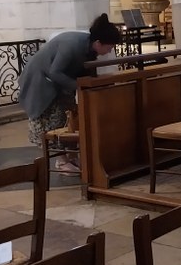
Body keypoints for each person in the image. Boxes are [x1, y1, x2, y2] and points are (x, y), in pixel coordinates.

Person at [19, 13, 121, 173]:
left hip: (59, 84)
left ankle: (72, 157)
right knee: (54, 121)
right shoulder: (71, 45)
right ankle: (61, 161)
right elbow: (55, 72)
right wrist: (78, 86)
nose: (110, 51)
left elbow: (83, 69)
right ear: (98, 43)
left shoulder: (88, 46)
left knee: (71, 119)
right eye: (109, 47)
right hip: (41, 82)